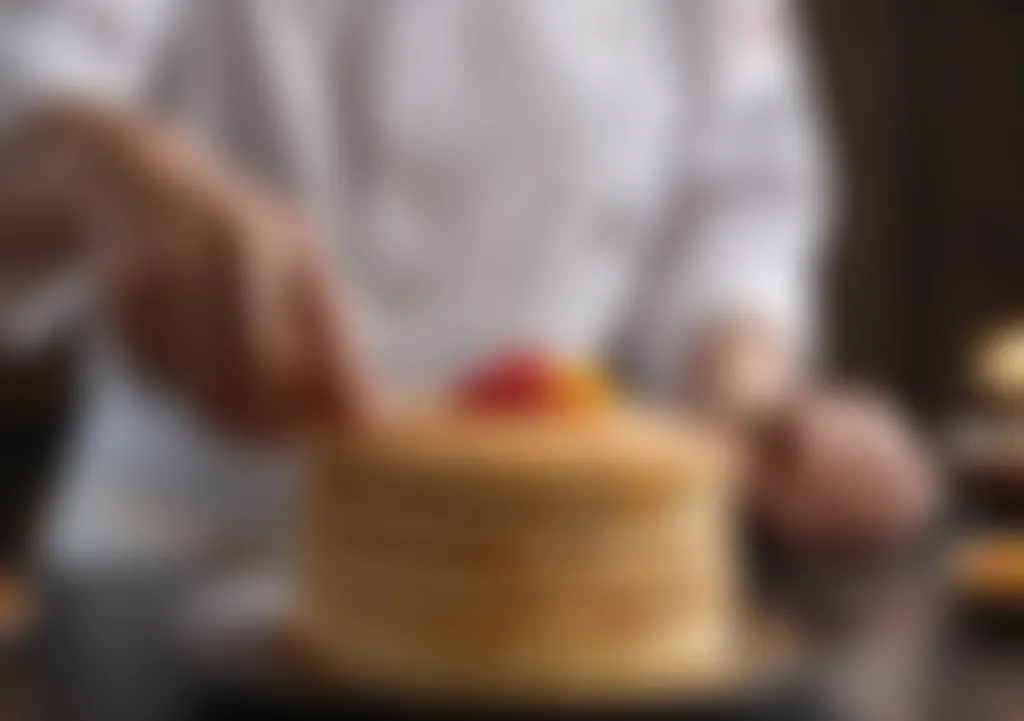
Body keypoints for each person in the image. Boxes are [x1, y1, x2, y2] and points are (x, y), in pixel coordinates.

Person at [0, 0, 935, 562]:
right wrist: (115, 170)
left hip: (547, 589)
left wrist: (747, 392)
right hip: (184, 574)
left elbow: (735, 186)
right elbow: (30, 77)